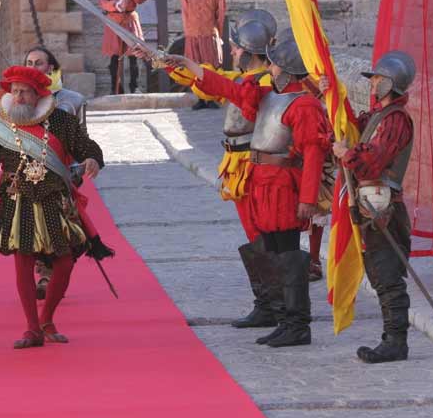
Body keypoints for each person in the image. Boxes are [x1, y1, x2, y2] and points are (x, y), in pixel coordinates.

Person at [168, 37, 330, 348]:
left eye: (274, 64)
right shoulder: (269, 95)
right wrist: (190, 66)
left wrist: (308, 199)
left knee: (288, 253)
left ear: (288, 69)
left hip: (283, 185)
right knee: (271, 250)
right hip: (262, 182)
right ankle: (283, 318)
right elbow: (227, 88)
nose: (270, 68)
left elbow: (313, 153)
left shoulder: (306, 105)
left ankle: (298, 324)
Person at [0, 66, 104, 348]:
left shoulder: (62, 121)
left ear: (39, 94)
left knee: (63, 263)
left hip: (54, 201)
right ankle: (32, 329)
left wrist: (92, 159)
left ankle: (47, 319)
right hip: (18, 202)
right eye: (14, 91)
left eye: (24, 91)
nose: (18, 97)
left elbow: (86, 146)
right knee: (23, 265)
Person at [158, 12, 277, 327]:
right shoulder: (243, 79)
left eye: (237, 48)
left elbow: (224, 86)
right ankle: (266, 301)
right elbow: (211, 83)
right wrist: (170, 61)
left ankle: (275, 303)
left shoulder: (267, 82)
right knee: (255, 235)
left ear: (249, 52)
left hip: (257, 166)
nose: (234, 53)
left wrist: (189, 64)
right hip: (239, 166)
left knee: (264, 234)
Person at [331, 51, 416, 364]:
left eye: (379, 78)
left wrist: (345, 154)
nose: (374, 82)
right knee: (379, 274)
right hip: (370, 204)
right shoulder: (378, 116)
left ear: (391, 83)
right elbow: (352, 127)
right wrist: (327, 92)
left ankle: (396, 341)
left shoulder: (395, 120)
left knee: (388, 273)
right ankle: (390, 337)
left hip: (384, 208)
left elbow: (371, 162)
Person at [97, 0, 149, 94]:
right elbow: (103, 1)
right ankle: (116, 89)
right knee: (114, 56)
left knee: (134, 54)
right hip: (113, 19)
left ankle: (134, 87)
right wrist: (116, 4)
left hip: (130, 18)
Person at [178, 0, 228, 110]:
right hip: (192, 36)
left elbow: (220, 16)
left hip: (209, 34)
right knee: (194, 66)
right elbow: (185, 16)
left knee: (210, 67)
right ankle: (200, 98)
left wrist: (217, 35)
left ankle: (212, 98)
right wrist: (189, 35)